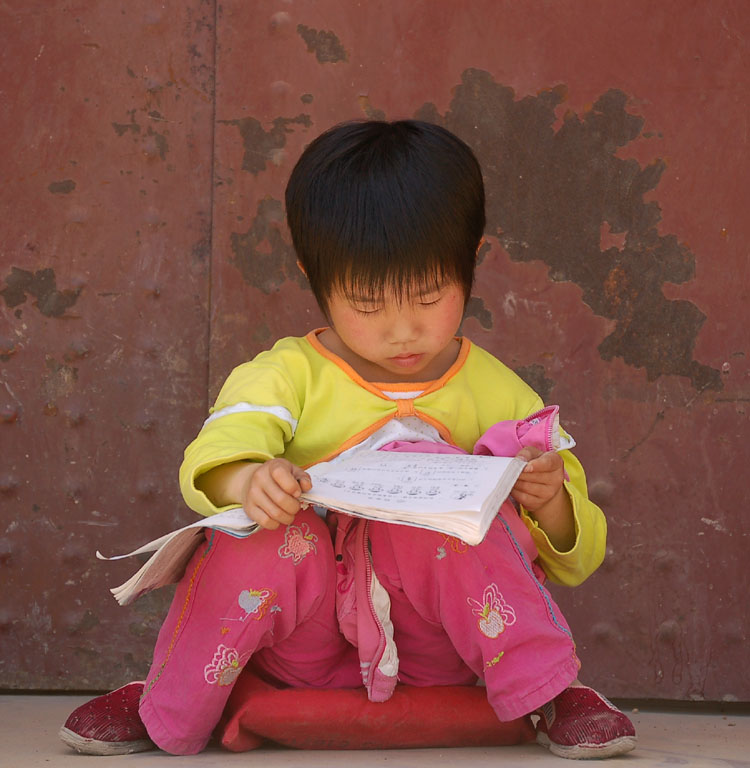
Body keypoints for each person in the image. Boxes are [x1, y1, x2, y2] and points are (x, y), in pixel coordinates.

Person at [60, 119, 636, 760]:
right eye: (368, 303)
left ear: (472, 260)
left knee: (440, 504)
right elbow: (216, 454)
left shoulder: (501, 394)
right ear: (315, 275)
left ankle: (549, 691)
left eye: (428, 294)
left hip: (434, 649)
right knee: (264, 533)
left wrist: (549, 497)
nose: (403, 330)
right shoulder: (284, 375)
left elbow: (576, 558)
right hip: (305, 650)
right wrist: (251, 480)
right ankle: (168, 701)